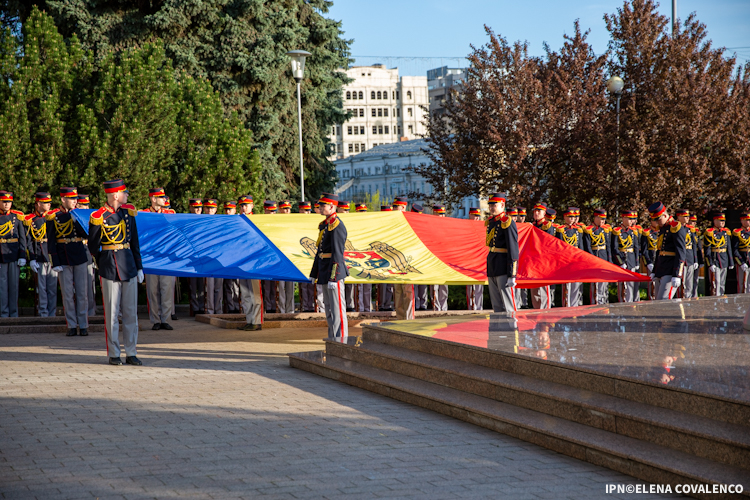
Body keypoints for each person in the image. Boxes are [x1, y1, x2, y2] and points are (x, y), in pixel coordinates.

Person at [89, 179, 144, 366]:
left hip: (128, 266)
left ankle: (131, 352)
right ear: (115, 195)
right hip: (110, 267)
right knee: (112, 315)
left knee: (131, 313)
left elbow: (135, 243)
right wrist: (102, 263)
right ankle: (114, 353)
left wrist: (139, 267)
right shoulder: (99, 216)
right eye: (124, 192)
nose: (126, 195)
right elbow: (93, 247)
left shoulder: (128, 213)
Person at [47, 187, 89, 336]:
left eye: (75, 199)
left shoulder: (79, 214)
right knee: (67, 294)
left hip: (79, 256)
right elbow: (51, 241)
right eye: (71, 199)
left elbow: (87, 235)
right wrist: (55, 261)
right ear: (63, 199)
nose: (75, 201)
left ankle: (83, 325)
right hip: (63, 257)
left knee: (82, 293)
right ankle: (71, 325)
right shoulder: (53, 216)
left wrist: (77, 222)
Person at [310, 193, 349, 342]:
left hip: (334, 273)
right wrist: (314, 273)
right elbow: (320, 252)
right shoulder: (325, 224)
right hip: (324, 271)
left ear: (332, 206)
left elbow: (337, 254)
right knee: (329, 309)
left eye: (323, 205)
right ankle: (333, 339)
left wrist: (334, 277)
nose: (320, 207)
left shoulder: (337, 225)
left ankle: (341, 341)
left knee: (338, 310)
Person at [140, 188, 176, 330]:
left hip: (166, 256)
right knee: (152, 290)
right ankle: (155, 320)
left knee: (166, 289)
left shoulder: (169, 213)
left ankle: (166, 319)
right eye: (161, 197)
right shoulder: (144, 214)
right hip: (151, 257)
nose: (164, 200)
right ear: (153, 199)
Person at [25, 192, 58, 317]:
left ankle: (52, 312)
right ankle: (43, 312)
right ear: (38, 204)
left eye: (49, 203)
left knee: (52, 287)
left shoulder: (52, 218)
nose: (49, 205)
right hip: (39, 255)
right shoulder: (31, 220)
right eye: (46, 203)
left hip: (51, 256)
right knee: (41, 288)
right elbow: (29, 241)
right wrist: (32, 258)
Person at [485, 193, 518, 312]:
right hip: (493, 264)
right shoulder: (491, 222)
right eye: (490, 205)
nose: (491, 207)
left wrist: (512, 274)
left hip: (503, 266)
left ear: (502, 205)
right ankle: (497, 325)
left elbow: (513, 249)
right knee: (496, 305)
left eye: (494, 205)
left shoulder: (507, 221)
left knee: (508, 305)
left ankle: (512, 324)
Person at [648, 202, 687, 300]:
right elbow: (659, 251)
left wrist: (677, 274)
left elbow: (681, 252)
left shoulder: (675, 227)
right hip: (661, 269)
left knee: (663, 300)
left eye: (659, 219)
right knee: (658, 301)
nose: (657, 223)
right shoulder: (663, 228)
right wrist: (654, 271)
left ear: (665, 215)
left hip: (670, 270)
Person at [237, 195, 264, 331]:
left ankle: (257, 321)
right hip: (241, 261)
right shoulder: (237, 221)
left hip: (254, 262)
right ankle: (249, 320)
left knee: (255, 293)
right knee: (245, 293)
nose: (244, 208)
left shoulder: (257, 221)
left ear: (252, 206)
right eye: (242, 205)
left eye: (246, 205)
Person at [0, 190, 27, 317]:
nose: (7, 204)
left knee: (14, 286)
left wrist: (22, 255)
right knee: (2, 286)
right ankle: (4, 313)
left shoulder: (17, 217)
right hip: (1, 255)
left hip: (14, 254)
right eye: (4, 202)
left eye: (9, 202)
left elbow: (22, 238)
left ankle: (14, 313)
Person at [392, 196, 415, 319]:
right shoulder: (392, 222)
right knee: (398, 291)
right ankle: (400, 319)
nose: (394, 208)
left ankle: (409, 320)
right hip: (395, 260)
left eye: (397, 207)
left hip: (407, 260)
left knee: (407, 291)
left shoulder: (409, 221)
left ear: (403, 207)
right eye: (394, 206)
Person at [75, 194, 97, 316]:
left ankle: (91, 312)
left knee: (89, 286)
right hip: (76, 254)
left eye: (87, 205)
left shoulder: (90, 218)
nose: (87, 208)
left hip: (88, 255)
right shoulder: (74, 217)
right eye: (84, 205)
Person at [583, 208, 611, 305]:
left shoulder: (605, 230)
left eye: (604, 219)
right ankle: (595, 302)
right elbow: (588, 247)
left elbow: (608, 246)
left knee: (604, 282)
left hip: (603, 257)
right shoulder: (589, 230)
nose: (603, 221)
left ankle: (603, 301)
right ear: (596, 218)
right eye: (602, 219)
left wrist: (609, 259)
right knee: (595, 283)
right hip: (594, 257)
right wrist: (593, 259)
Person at [612, 209, 641, 302]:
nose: (631, 221)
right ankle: (622, 302)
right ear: (623, 218)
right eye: (629, 219)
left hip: (631, 260)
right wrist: (620, 262)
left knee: (631, 285)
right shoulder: (617, 231)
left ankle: (631, 303)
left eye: (632, 219)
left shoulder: (632, 232)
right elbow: (615, 249)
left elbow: (636, 248)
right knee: (622, 285)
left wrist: (636, 262)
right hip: (622, 260)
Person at [556, 207, 584, 307]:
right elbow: (559, 246)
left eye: (573, 217)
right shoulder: (561, 230)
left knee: (576, 283)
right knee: (567, 285)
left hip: (576, 258)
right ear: (565, 217)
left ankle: (574, 304)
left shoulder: (578, 230)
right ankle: (566, 304)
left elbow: (580, 246)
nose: (572, 219)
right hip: (566, 259)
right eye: (570, 217)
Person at [530, 202, 555, 309]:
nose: (536, 213)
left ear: (544, 213)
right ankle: (536, 311)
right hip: (533, 260)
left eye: (539, 211)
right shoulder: (532, 225)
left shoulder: (547, 226)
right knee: (534, 289)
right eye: (535, 211)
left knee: (543, 289)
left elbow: (547, 245)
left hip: (543, 260)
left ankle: (545, 312)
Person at [703, 210, 731, 296]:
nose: (722, 223)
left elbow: (729, 248)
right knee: (716, 284)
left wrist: (730, 262)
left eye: (723, 221)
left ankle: (721, 299)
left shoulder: (725, 232)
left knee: (722, 283)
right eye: (720, 220)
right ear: (715, 221)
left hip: (724, 260)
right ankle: (716, 300)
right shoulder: (710, 232)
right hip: (715, 260)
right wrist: (710, 263)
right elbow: (707, 250)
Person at [203, 199, 224, 314]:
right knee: (209, 286)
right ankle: (210, 310)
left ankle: (218, 309)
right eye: (208, 208)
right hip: (207, 258)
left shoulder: (220, 222)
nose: (210, 210)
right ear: (204, 209)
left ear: (216, 209)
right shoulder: (202, 223)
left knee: (218, 286)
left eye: (212, 208)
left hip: (218, 258)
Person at [186, 199, 206, 314]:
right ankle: (194, 308)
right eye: (195, 207)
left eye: (199, 207)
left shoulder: (204, 221)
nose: (197, 209)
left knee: (202, 285)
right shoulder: (187, 222)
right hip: (191, 258)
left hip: (203, 257)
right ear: (190, 208)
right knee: (193, 286)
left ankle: (202, 307)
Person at [674, 209, 698, 298]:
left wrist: (695, 260)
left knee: (689, 284)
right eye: (685, 216)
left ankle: (688, 300)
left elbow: (694, 245)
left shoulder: (690, 229)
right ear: (679, 217)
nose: (687, 218)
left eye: (688, 216)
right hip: (681, 259)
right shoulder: (675, 228)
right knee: (681, 284)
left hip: (690, 258)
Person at [262, 200, 279, 313]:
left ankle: (274, 306)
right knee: (267, 285)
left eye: (274, 211)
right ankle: (268, 307)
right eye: (270, 211)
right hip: (265, 259)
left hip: (276, 259)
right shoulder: (262, 224)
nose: (272, 214)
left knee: (275, 286)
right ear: (265, 211)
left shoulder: (277, 224)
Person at [411, 203, 429, 311]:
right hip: (412, 257)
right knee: (415, 283)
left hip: (422, 257)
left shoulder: (423, 226)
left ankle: (423, 304)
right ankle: (416, 304)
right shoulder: (408, 225)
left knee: (422, 282)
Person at [377, 204, 395, 311]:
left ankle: (387, 304)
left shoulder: (392, 227)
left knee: (389, 284)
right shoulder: (379, 227)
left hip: (390, 258)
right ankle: (382, 305)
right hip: (381, 259)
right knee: (382, 285)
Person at [467, 206, 485, 311]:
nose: (477, 218)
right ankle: (471, 307)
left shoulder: (482, 228)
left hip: (480, 260)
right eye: (474, 216)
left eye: (478, 216)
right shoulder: (466, 227)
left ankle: (479, 307)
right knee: (470, 286)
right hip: (469, 260)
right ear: (470, 215)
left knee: (479, 286)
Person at [641, 216, 660, 300]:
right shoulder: (647, 233)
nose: (657, 223)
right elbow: (644, 250)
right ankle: (651, 298)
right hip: (651, 260)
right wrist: (648, 262)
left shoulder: (661, 232)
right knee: (651, 283)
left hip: (660, 260)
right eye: (655, 221)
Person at [733, 211, 750, 294]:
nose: (749, 222)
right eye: (747, 220)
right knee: (742, 284)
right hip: (743, 260)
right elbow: (735, 249)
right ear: (742, 221)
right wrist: (741, 262)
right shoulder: (738, 233)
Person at [690, 214, 703, 295]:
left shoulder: (696, 232)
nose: (694, 223)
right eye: (692, 221)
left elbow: (699, 247)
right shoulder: (686, 231)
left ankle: (694, 295)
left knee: (695, 279)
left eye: (695, 221)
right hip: (689, 257)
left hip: (696, 258)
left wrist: (700, 260)